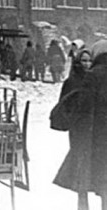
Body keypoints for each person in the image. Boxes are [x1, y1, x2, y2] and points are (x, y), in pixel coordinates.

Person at [54, 41, 107, 210]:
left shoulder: (93, 75)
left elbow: (84, 106)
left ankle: (83, 206)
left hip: (90, 134)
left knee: (84, 171)